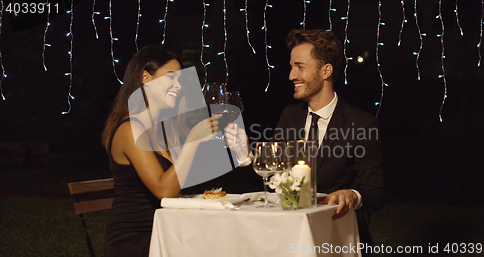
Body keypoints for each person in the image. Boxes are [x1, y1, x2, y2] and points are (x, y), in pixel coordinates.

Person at [101, 46, 248, 257]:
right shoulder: (130, 128)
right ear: (146, 77)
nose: (178, 86)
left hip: (167, 230)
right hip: (135, 241)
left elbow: (181, 179)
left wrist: (239, 151)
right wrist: (193, 141)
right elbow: (164, 190)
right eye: (171, 78)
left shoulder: (163, 127)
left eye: (180, 80)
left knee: (226, 236)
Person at [275, 29, 384, 252]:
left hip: (339, 241)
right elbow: (274, 174)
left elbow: (375, 193)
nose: (291, 75)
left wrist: (352, 195)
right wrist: (246, 154)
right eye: (291, 67)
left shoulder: (361, 124)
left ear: (326, 71)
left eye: (300, 67)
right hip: (289, 239)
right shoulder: (290, 115)